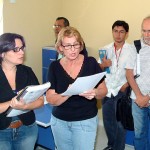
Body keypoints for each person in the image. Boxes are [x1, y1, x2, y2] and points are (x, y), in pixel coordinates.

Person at [46, 26, 107, 150]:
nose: (73, 49)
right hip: (59, 122)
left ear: (81, 44)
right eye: (68, 46)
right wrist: (69, 92)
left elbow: (103, 91)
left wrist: (95, 92)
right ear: (61, 47)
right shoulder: (54, 66)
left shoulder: (91, 63)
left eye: (76, 44)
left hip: (85, 121)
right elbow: (50, 99)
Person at [0, 33, 44, 150]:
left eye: (22, 48)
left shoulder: (27, 71)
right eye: (16, 49)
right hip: (1, 132)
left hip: (27, 129)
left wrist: (25, 106)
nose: (22, 52)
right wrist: (12, 103)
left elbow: (40, 101)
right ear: (2, 53)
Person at [98, 20, 132, 150]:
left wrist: (127, 84)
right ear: (112, 32)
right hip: (106, 91)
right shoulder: (105, 49)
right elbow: (98, 70)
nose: (118, 35)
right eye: (115, 31)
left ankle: (118, 148)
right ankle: (111, 145)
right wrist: (103, 65)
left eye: (121, 31)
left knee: (120, 124)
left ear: (126, 33)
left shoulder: (131, 51)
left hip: (122, 92)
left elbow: (136, 72)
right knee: (108, 122)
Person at [126, 16, 150, 150]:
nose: (147, 35)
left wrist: (148, 97)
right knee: (140, 134)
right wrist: (140, 97)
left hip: (147, 96)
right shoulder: (134, 47)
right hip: (137, 99)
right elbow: (129, 74)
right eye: (144, 31)